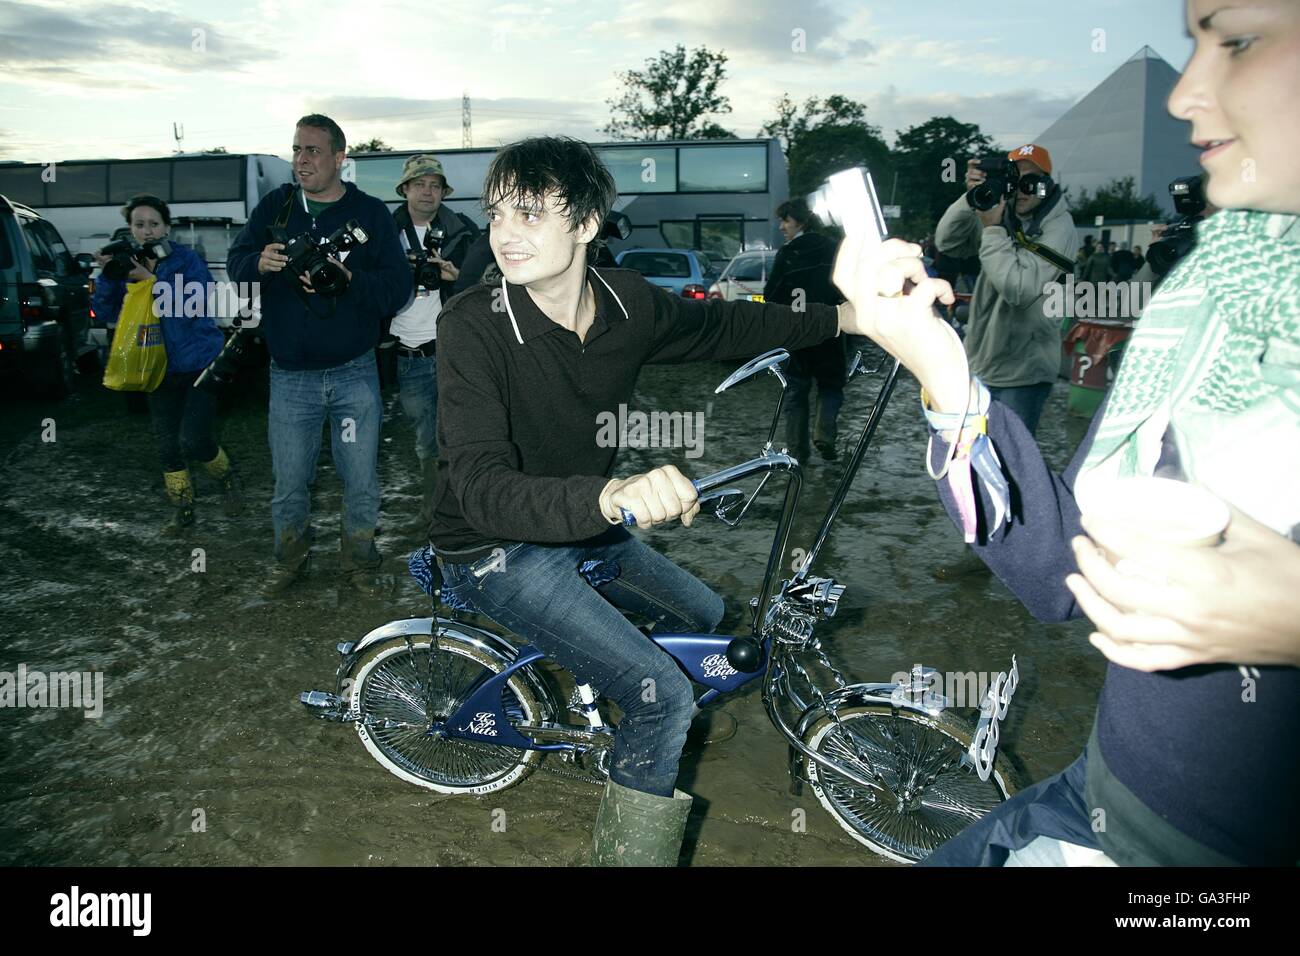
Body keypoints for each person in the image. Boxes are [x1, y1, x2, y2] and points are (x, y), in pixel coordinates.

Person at [834, 0, 1300, 866]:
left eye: (1235, 41)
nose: (1185, 91)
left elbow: (1018, 287)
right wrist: (938, 366)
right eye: (1193, 41)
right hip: (1101, 790)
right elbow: (1064, 572)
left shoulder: (1054, 226)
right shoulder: (1205, 312)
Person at [429, 136, 876, 866]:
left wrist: (847, 320)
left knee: (702, 618)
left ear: (587, 221)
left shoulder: (627, 302)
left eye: (531, 212)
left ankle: (615, 721)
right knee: (660, 694)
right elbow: (480, 486)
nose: (505, 233)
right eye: (496, 213)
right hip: (490, 547)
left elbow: (729, 325)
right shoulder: (473, 324)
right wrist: (612, 494)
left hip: (584, 525)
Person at [226, 115, 410, 598]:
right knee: (289, 484)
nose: (301, 160)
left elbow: (396, 290)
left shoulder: (370, 213)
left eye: (311, 151)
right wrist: (256, 263)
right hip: (290, 377)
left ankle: (361, 564)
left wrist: (348, 279)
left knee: (362, 481)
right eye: (296, 150)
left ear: (339, 158)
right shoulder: (276, 206)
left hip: (355, 372)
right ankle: (289, 560)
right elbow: (237, 264)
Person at [92, 194, 242, 533]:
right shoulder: (125, 265)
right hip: (155, 367)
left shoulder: (187, 260)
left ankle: (229, 480)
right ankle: (183, 508)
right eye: (139, 225)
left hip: (199, 364)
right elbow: (104, 313)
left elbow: (196, 301)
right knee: (166, 445)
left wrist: (149, 280)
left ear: (167, 227)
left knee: (195, 440)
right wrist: (107, 276)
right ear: (130, 229)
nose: (147, 231)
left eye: (154, 224)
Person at [935, 144, 1079, 436]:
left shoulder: (1059, 230)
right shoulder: (1002, 213)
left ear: (1048, 185)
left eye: (1033, 183)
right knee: (972, 459)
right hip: (982, 361)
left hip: (1023, 373)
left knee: (1010, 466)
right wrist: (971, 197)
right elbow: (947, 241)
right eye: (1017, 182)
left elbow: (1018, 289)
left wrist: (992, 230)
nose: (1023, 191)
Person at [383, 155, 478, 533]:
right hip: (409, 354)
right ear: (405, 189)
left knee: (464, 435)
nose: (428, 191)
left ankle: (464, 510)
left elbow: (487, 290)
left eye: (435, 185)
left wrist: (458, 277)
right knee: (426, 442)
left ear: (443, 193)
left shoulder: (463, 231)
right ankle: (435, 510)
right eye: (420, 184)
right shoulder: (383, 231)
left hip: (453, 351)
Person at [764, 198, 845, 462]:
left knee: (796, 391)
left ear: (800, 221)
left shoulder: (788, 254)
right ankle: (824, 432)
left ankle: (797, 453)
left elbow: (772, 294)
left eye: (785, 220)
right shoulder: (833, 248)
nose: (781, 226)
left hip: (798, 333)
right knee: (831, 385)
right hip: (832, 327)